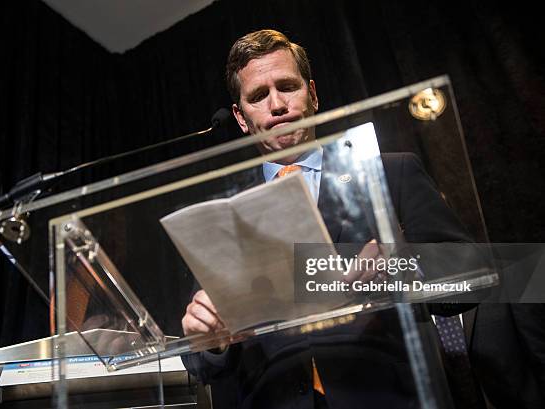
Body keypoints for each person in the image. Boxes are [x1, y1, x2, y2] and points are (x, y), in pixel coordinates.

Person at [181, 29, 476, 409]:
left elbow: (468, 274)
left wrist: (401, 267)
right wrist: (210, 339)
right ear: (240, 117)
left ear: (313, 94)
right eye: (258, 95)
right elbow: (201, 363)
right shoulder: (222, 216)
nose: (277, 105)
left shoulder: (390, 173)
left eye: (287, 86)